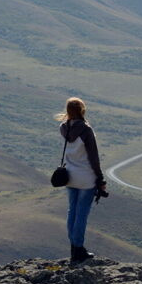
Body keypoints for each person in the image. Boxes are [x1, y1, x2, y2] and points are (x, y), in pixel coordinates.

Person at [54, 97, 108, 263]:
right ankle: (78, 249)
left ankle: (73, 247)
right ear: (82, 110)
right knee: (82, 214)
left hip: (70, 176)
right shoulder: (86, 130)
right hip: (86, 177)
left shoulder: (64, 128)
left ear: (68, 111)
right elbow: (93, 157)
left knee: (72, 211)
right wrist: (100, 178)